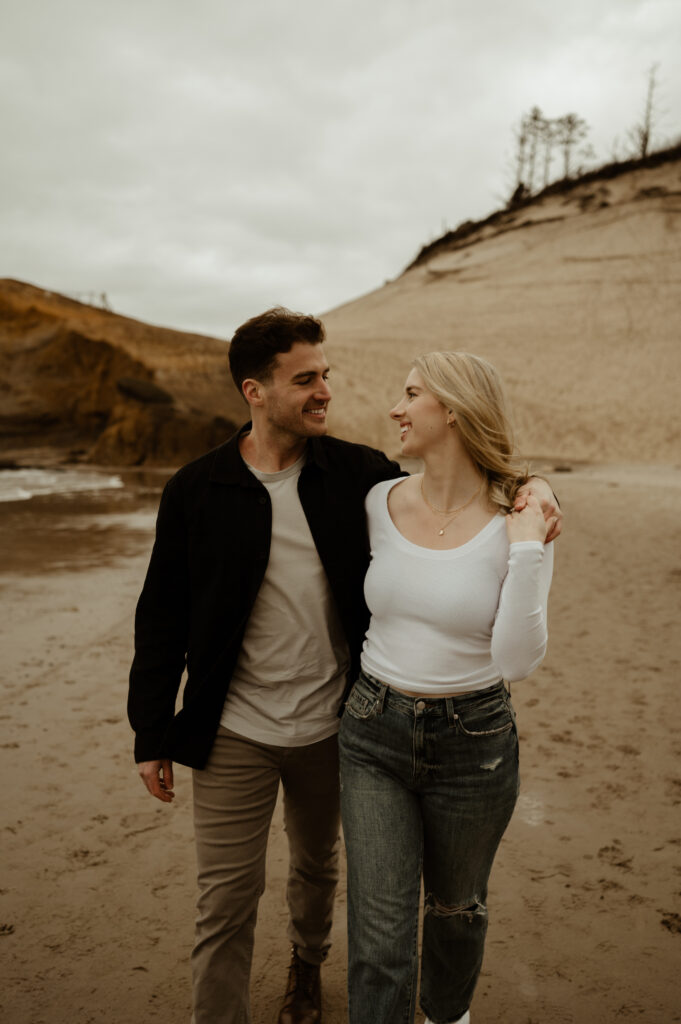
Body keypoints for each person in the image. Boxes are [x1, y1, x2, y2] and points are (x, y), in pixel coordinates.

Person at [128, 309, 561, 1024]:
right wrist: (151, 730)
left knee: (318, 871)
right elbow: (161, 616)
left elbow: (467, 481)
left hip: (337, 722)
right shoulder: (197, 490)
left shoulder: (355, 477)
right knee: (225, 902)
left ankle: (306, 964)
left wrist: (538, 488)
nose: (325, 390)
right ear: (254, 391)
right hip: (235, 727)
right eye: (306, 379)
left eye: (325, 374)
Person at [338, 351, 555, 1024]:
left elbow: (515, 660)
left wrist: (523, 548)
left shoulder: (520, 515)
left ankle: (446, 1017)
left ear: (453, 410)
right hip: (372, 729)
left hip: (476, 743)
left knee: (456, 911)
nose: (395, 409)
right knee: (379, 938)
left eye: (410, 395)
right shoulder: (376, 502)